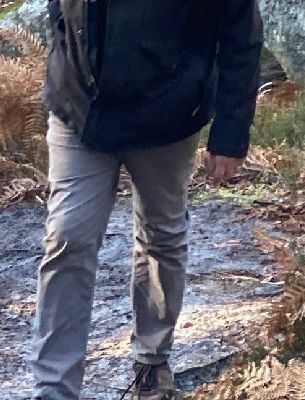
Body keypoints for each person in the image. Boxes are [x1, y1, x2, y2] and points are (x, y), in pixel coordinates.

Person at [31, 0, 263, 398]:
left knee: (161, 236)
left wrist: (231, 131)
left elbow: (241, 32)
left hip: (168, 113)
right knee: (67, 238)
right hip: (79, 109)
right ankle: (54, 388)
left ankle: (152, 364)